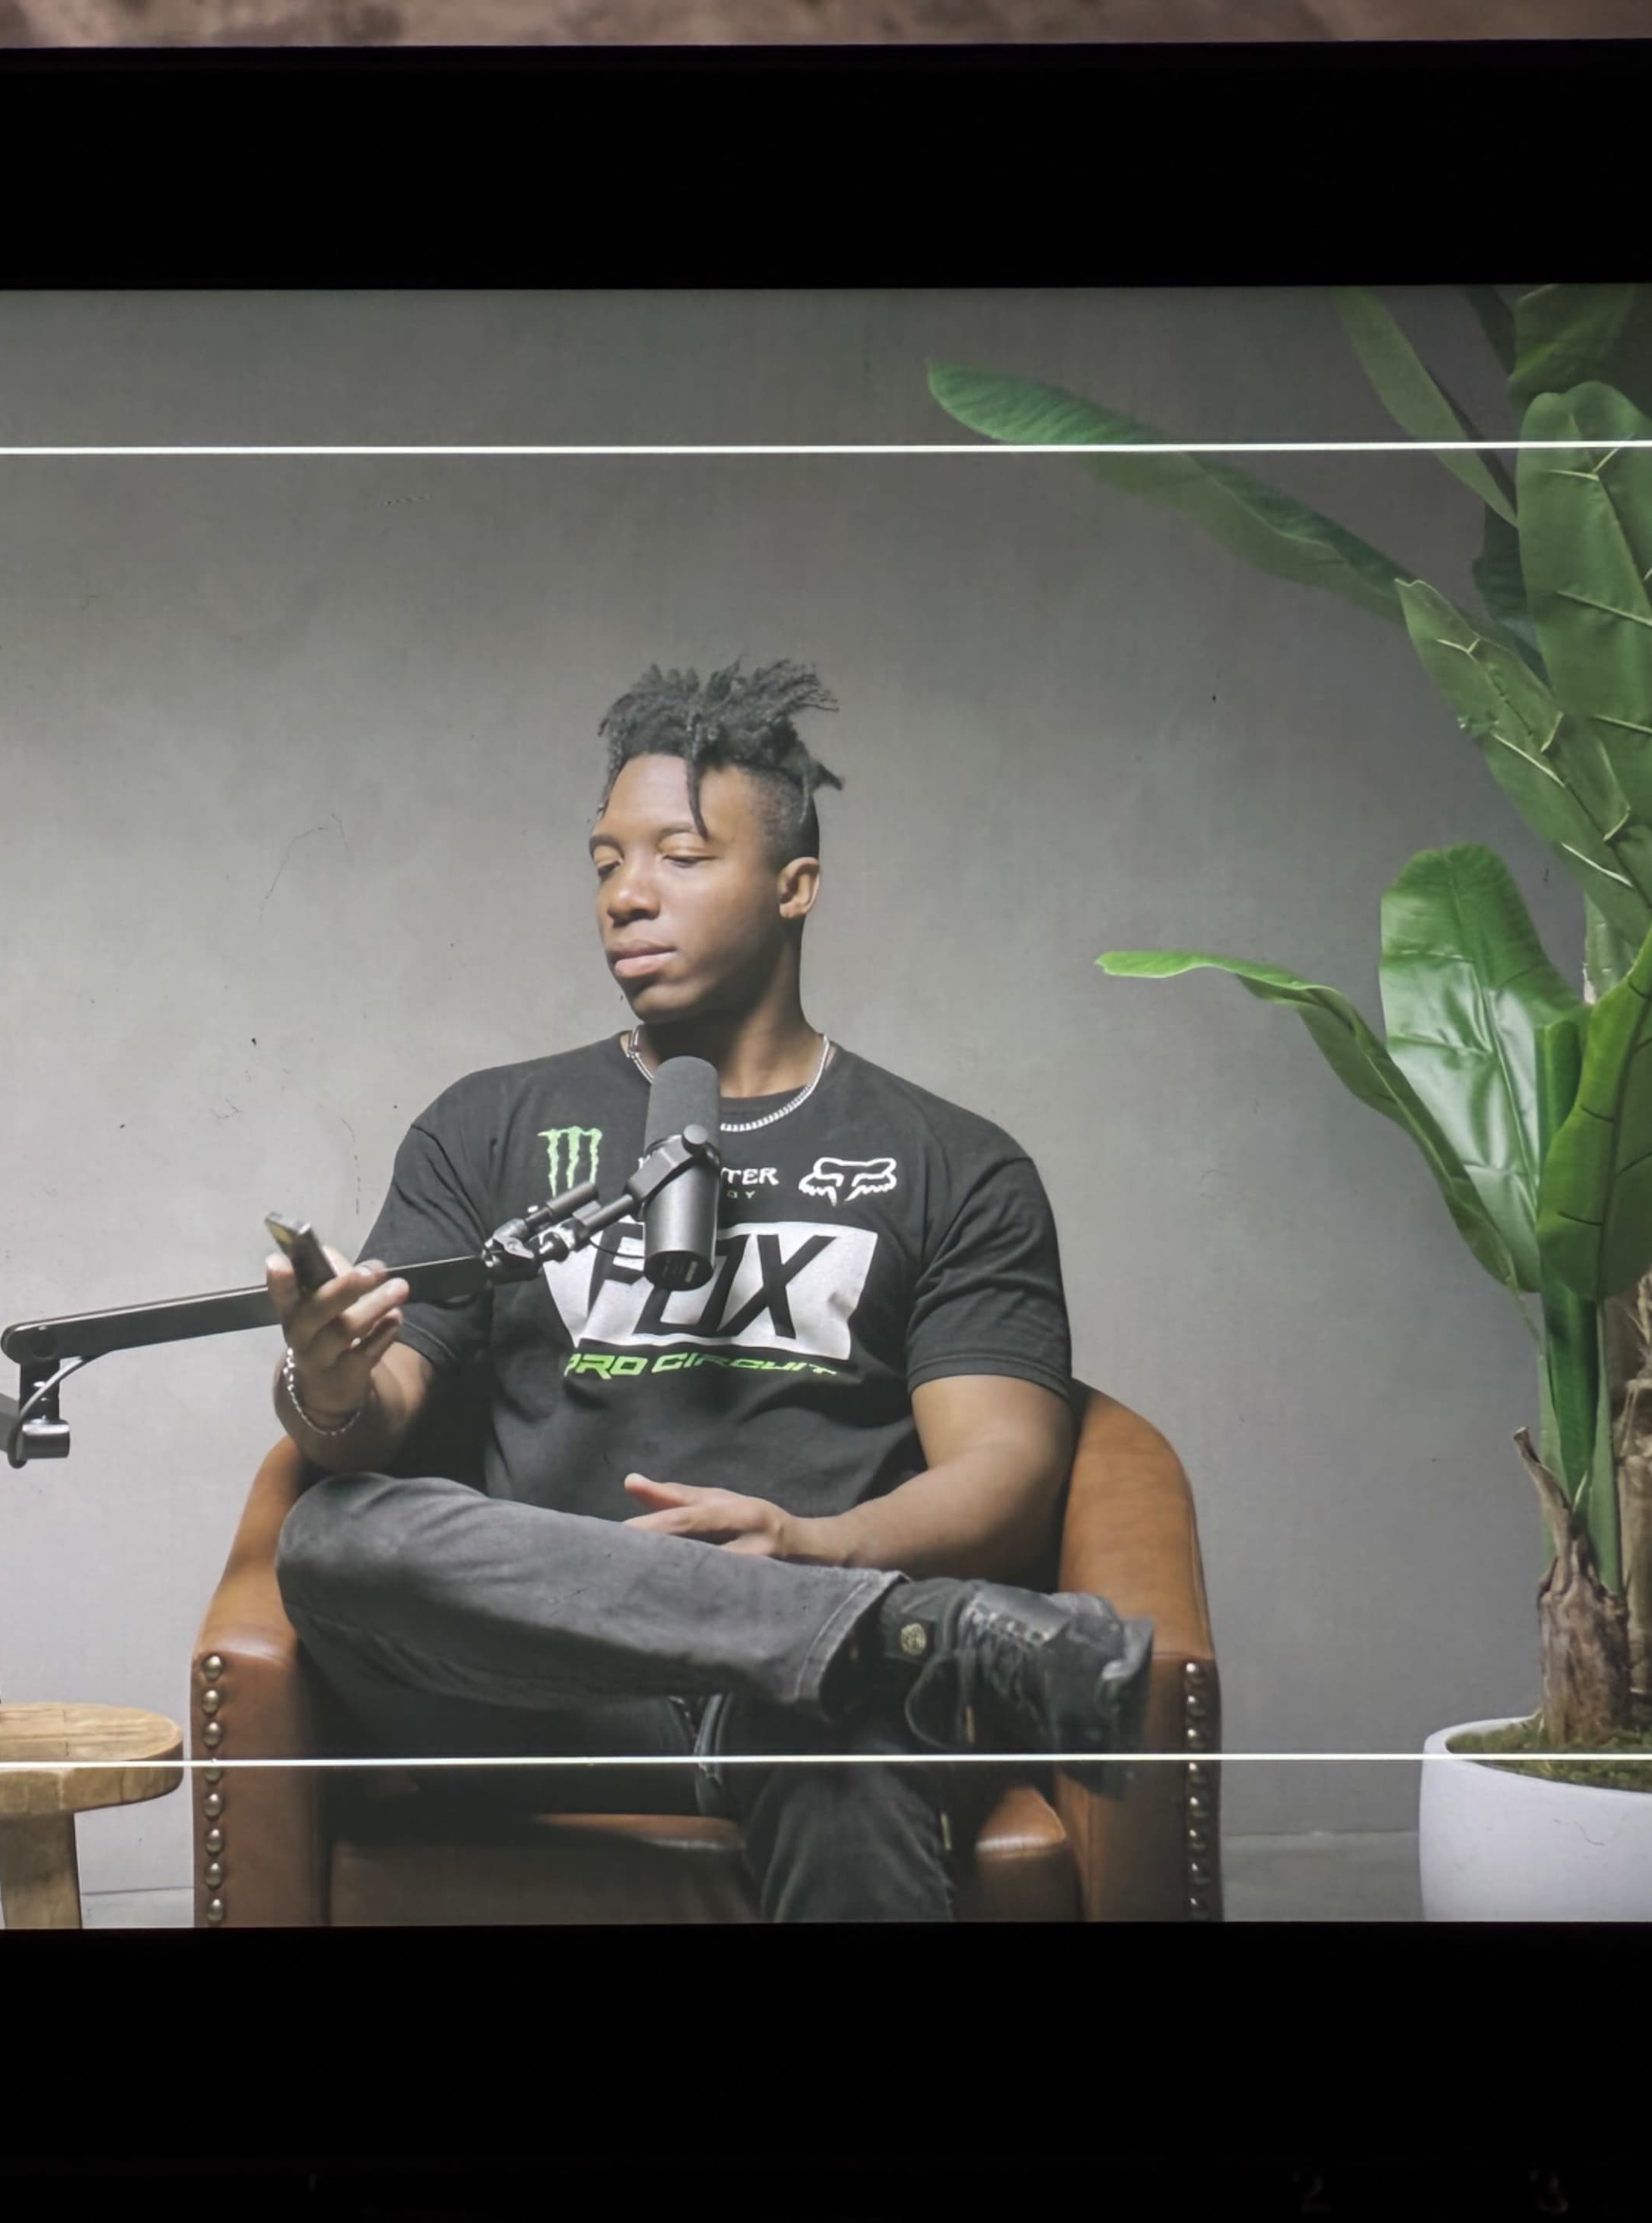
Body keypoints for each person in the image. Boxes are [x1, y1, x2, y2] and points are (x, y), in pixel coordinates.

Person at [258, 657, 1155, 1923]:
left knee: (851, 1758)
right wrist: (330, 1382)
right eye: (606, 861)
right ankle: (871, 1639)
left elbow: (1006, 1467)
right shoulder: (490, 1123)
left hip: (793, 1703)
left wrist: (812, 1548)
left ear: (796, 889)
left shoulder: (952, 1161)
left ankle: (837, 1642)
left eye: (680, 857)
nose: (628, 896)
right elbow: (376, 1411)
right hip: (539, 1690)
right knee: (335, 1537)